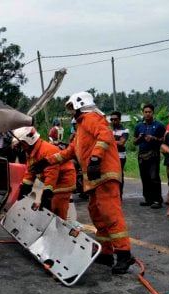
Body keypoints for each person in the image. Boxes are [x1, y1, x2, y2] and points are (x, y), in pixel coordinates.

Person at [30, 91, 135, 274]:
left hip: (105, 176)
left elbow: (105, 137)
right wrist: (46, 161)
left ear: (80, 105)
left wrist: (95, 159)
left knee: (110, 214)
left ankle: (124, 254)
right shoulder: (81, 129)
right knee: (97, 214)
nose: (71, 112)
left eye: (72, 108)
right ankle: (106, 252)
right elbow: (69, 152)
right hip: (94, 180)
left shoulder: (91, 118)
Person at [12, 126, 76, 220]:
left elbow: (52, 174)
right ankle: (53, 227)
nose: (20, 149)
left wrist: (47, 193)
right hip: (54, 180)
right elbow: (30, 171)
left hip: (63, 180)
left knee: (57, 207)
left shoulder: (47, 150)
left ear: (29, 140)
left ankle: (60, 228)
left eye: (21, 145)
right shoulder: (31, 151)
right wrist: (24, 189)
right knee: (49, 208)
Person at [133, 104, 166, 209]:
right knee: (145, 178)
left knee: (154, 177)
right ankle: (148, 199)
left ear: (153, 113)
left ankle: (157, 200)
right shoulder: (139, 126)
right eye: (145, 112)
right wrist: (139, 138)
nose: (147, 114)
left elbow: (164, 140)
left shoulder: (159, 125)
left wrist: (154, 138)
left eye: (149, 112)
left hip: (154, 154)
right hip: (142, 154)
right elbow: (134, 142)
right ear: (143, 113)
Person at [110, 111, 129, 197]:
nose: (113, 121)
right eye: (112, 119)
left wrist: (109, 140)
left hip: (120, 155)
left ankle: (119, 194)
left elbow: (121, 143)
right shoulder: (109, 130)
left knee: (119, 175)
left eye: (115, 119)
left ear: (120, 119)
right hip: (110, 155)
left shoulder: (125, 130)